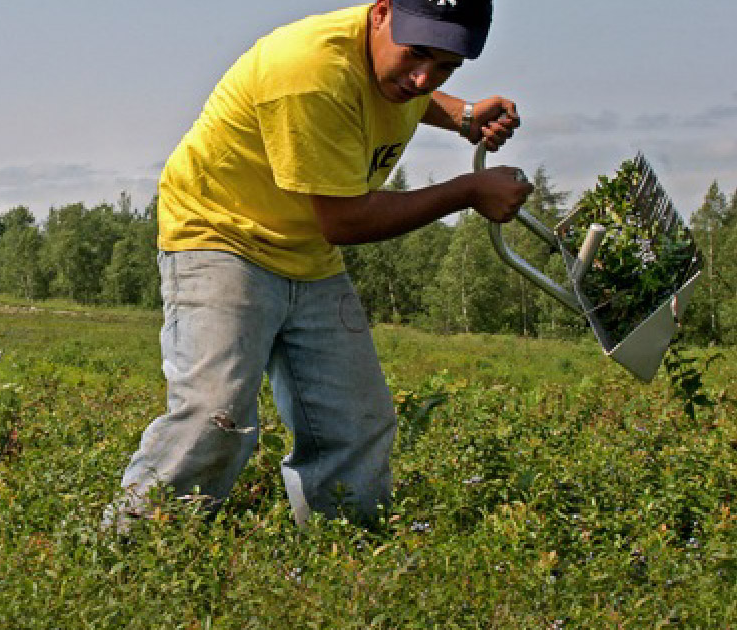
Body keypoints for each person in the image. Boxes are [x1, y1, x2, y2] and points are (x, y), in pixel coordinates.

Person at [109, 0, 533, 529]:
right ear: (380, 14)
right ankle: (131, 551)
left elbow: (404, 90)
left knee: (355, 421)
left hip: (305, 247)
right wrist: (468, 191)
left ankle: (346, 562)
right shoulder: (307, 73)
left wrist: (461, 114)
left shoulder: (396, 65)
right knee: (214, 416)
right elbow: (347, 221)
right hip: (220, 233)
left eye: (447, 66)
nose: (426, 76)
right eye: (418, 53)